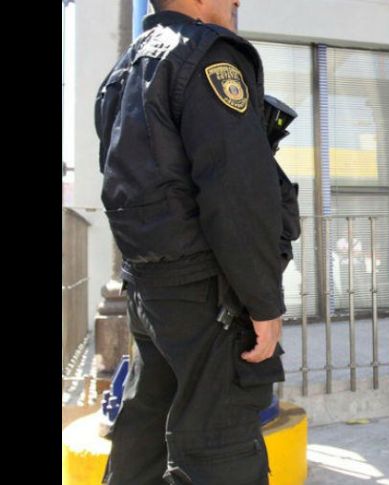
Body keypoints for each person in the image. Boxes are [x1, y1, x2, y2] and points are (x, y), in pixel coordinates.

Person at [94, 0, 299, 482]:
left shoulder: (124, 68)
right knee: (220, 450)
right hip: (208, 294)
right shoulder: (208, 54)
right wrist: (263, 304)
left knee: (147, 435)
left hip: (151, 288)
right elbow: (236, 191)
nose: (236, 2)